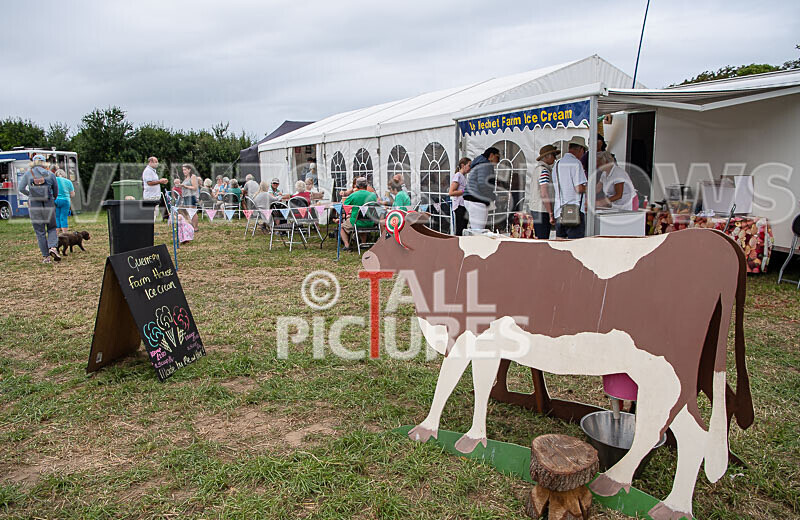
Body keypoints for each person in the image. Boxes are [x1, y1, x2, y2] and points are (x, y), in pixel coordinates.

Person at [18, 154, 60, 263]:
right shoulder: (50, 174)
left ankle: (46, 257)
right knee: (51, 227)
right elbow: (56, 191)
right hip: (48, 202)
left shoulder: (28, 174)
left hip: (34, 205)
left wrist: (31, 194)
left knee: (40, 231)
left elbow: (21, 188)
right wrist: (52, 198)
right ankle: (53, 248)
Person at [553, 136, 588, 239]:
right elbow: (578, 188)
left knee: (560, 244)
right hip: (574, 211)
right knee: (574, 245)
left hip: (559, 211)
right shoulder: (576, 163)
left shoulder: (557, 164)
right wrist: (590, 189)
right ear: (581, 149)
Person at [463, 147, 500, 231]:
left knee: (474, 228)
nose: (498, 160)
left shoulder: (479, 163)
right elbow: (483, 184)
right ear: (491, 155)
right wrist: (492, 196)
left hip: (471, 198)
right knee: (478, 230)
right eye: (497, 157)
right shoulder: (485, 165)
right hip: (477, 199)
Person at [527, 145, 560, 239]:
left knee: (538, 238)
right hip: (542, 210)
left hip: (535, 208)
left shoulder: (537, 170)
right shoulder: (544, 171)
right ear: (548, 156)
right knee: (543, 239)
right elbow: (544, 193)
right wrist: (550, 213)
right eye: (554, 155)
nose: (555, 158)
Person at [340, 177, 377, 250]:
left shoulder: (353, 195)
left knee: (341, 227)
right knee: (363, 221)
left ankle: (347, 245)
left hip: (356, 222)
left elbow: (344, 206)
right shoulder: (373, 195)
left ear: (356, 186)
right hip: (371, 222)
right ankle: (363, 243)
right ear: (366, 186)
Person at [449, 157, 471, 236]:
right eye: (469, 165)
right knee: (460, 228)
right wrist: (464, 191)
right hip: (459, 206)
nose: (470, 168)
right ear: (463, 165)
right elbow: (451, 192)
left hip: (463, 205)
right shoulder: (458, 175)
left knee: (464, 226)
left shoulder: (463, 177)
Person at [54, 169, 75, 234]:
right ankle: (64, 233)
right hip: (65, 200)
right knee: (64, 217)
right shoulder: (68, 182)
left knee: (57, 217)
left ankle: (56, 234)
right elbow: (72, 194)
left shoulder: (54, 180)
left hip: (55, 200)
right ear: (64, 175)